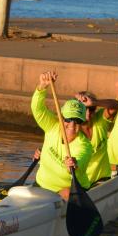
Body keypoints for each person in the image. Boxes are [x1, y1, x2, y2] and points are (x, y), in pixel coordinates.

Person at [31, 72, 93, 200]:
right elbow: (37, 109)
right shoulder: (52, 126)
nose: (72, 124)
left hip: (71, 192)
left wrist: (73, 164)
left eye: (77, 120)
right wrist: (42, 87)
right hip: (41, 187)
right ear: (61, 118)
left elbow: (79, 161)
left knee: (66, 192)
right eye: (68, 119)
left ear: (82, 123)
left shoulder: (84, 146)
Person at [74, 90, 118, 184]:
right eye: (84, 109)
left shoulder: (101, 119)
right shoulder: (71, 129)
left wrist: (94, 102)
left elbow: (116, 105)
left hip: (102, 180)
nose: (88, 114)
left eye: (91, 109)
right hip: (81, 182)